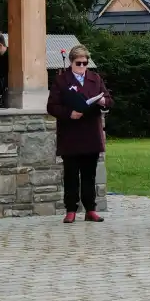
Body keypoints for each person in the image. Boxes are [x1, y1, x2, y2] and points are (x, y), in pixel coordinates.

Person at [46, 45, 112, 223]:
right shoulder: (61, 80)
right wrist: (69, 113)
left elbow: (108, 99)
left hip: (90, 132)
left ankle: (90, 209)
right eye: (79, 63)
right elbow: (51, 106)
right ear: (71, 62)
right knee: (71, 174)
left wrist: (103, 101)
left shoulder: (95, 78)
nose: (82, 67)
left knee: (89, 174)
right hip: (71, 134)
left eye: (85, 63)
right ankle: (71, 209)